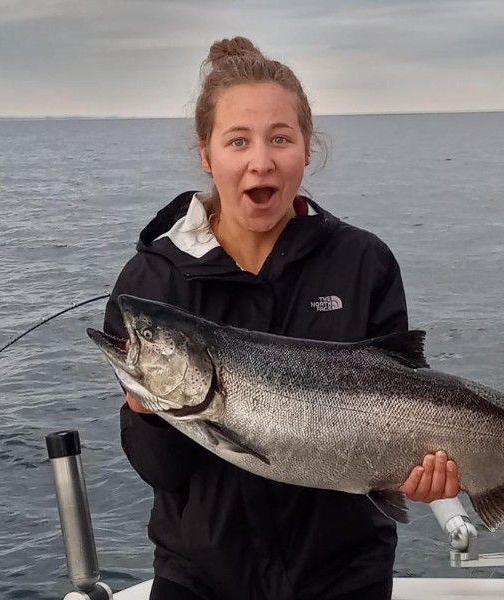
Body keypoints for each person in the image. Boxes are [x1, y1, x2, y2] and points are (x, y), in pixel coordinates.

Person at [103, 37, 460, 600]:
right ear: (206, 153)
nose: (260, 161)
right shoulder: (151, 285)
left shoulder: (363, 262)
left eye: (280, 139)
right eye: (237, 141)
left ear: (307, 148)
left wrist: (415, 469)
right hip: (200, 580)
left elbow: (401, 383)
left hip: (344, 574)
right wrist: (146, 413)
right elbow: (160, 472)